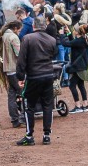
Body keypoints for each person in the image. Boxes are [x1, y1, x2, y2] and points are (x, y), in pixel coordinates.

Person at [16, 17, 60, 145]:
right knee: (48, 105)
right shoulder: (51, 39)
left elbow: (22, 59)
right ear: (44, 26)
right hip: (48, 75)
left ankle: (29, 136)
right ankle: (47, 135)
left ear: (34, 26)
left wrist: (20, 77)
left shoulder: (28, 38)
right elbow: (54, 54)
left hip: (33, 76)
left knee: (29, 106)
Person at [0, 20, 24, 128]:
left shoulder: (3, 36)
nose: (19, 32)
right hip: (15, 69)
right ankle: (22, 118)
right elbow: (19, 54)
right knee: (23, 92)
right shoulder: (13, 37)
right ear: (15, 28)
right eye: (19, 30)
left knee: (11, 94)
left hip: (7, 69)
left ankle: (14, 119)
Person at [62, 23, 88, 113]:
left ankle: (78, 106)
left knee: (72, 86)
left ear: (77, 32)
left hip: (77, 66)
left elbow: (66, 43)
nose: (73, 31)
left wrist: (61, 34)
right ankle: (85, 105)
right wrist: (68, 33)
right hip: (82, 66)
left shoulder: (78, 41)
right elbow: (73, 42)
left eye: (74, 30)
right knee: (81, 85)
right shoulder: (83, 39)